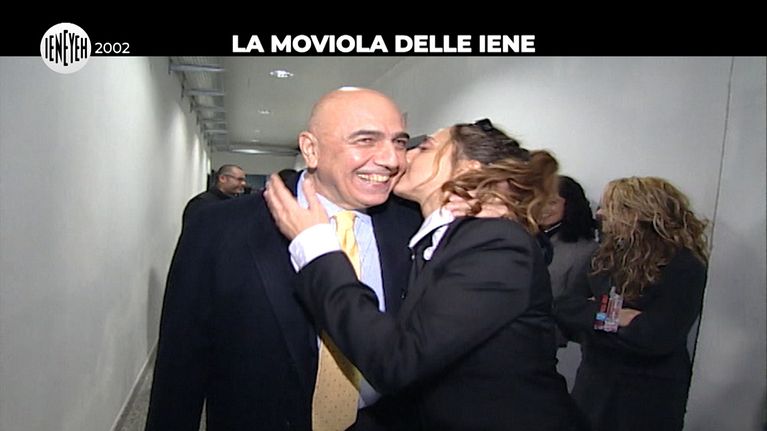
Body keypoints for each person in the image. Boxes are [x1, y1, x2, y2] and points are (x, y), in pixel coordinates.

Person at [265, 120, 584, 430]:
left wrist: (316, 247)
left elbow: (398, 362)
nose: (402, 158)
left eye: (425, 147)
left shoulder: (494, 241)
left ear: (467, 170)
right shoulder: (448, 239)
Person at [145, 88, 422, 430]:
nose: (392, 159)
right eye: (366, 140)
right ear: (311, 149)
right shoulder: (220, 227)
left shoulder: (415, 224)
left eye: (399, 142)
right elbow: (182, 359)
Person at [554, 176, 709, 431]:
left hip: (646, 398)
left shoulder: (684, 266)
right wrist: (617, 316)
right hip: (593, 386)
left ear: (638, 213)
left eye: (609, 206)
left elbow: (655, 337)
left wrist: (595, 315)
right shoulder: (603, 257)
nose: (600, 214)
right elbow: (564, 309)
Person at [181, 164, 247, 226]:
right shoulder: (202, 203)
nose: (243, 183)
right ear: (222, 178)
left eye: (244, 180)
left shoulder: (236, 203)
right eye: (239, 179)